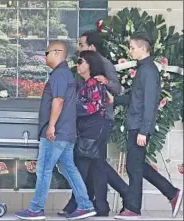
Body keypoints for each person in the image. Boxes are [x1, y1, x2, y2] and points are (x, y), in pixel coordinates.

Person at [15, 41, 96, 220]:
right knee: (69, 168)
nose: (45, 56)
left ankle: (36, 209)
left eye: (47, 52)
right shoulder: (66, 74)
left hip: (56, 133)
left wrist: (51, 125)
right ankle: (85, 205)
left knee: (43, 169)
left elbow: (58, 101)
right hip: (66, 132)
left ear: (57, 53)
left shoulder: (59, 74)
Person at [114, 32, 183, 219]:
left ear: (143, 48)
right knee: (137, 166)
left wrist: (144, 130)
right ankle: (172, 193)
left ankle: (133, 209)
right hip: (134, 124)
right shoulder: (143, 69)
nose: (130, 51)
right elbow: (135, 98)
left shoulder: (149, 70)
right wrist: (115, 99)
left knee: (134, 168)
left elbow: (151, 103)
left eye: (132, 48)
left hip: (139, 126)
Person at [59, 30, 121, 217]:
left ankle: (82, 204)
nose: (78, 50)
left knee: (85, 165)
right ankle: (97, 205)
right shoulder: (86, 78)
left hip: (98, 124)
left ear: (92, 49)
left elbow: (112, 90)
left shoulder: (101, 68)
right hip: (91, 125)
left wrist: (71, 110)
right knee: (96, 166)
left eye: (81, 46)